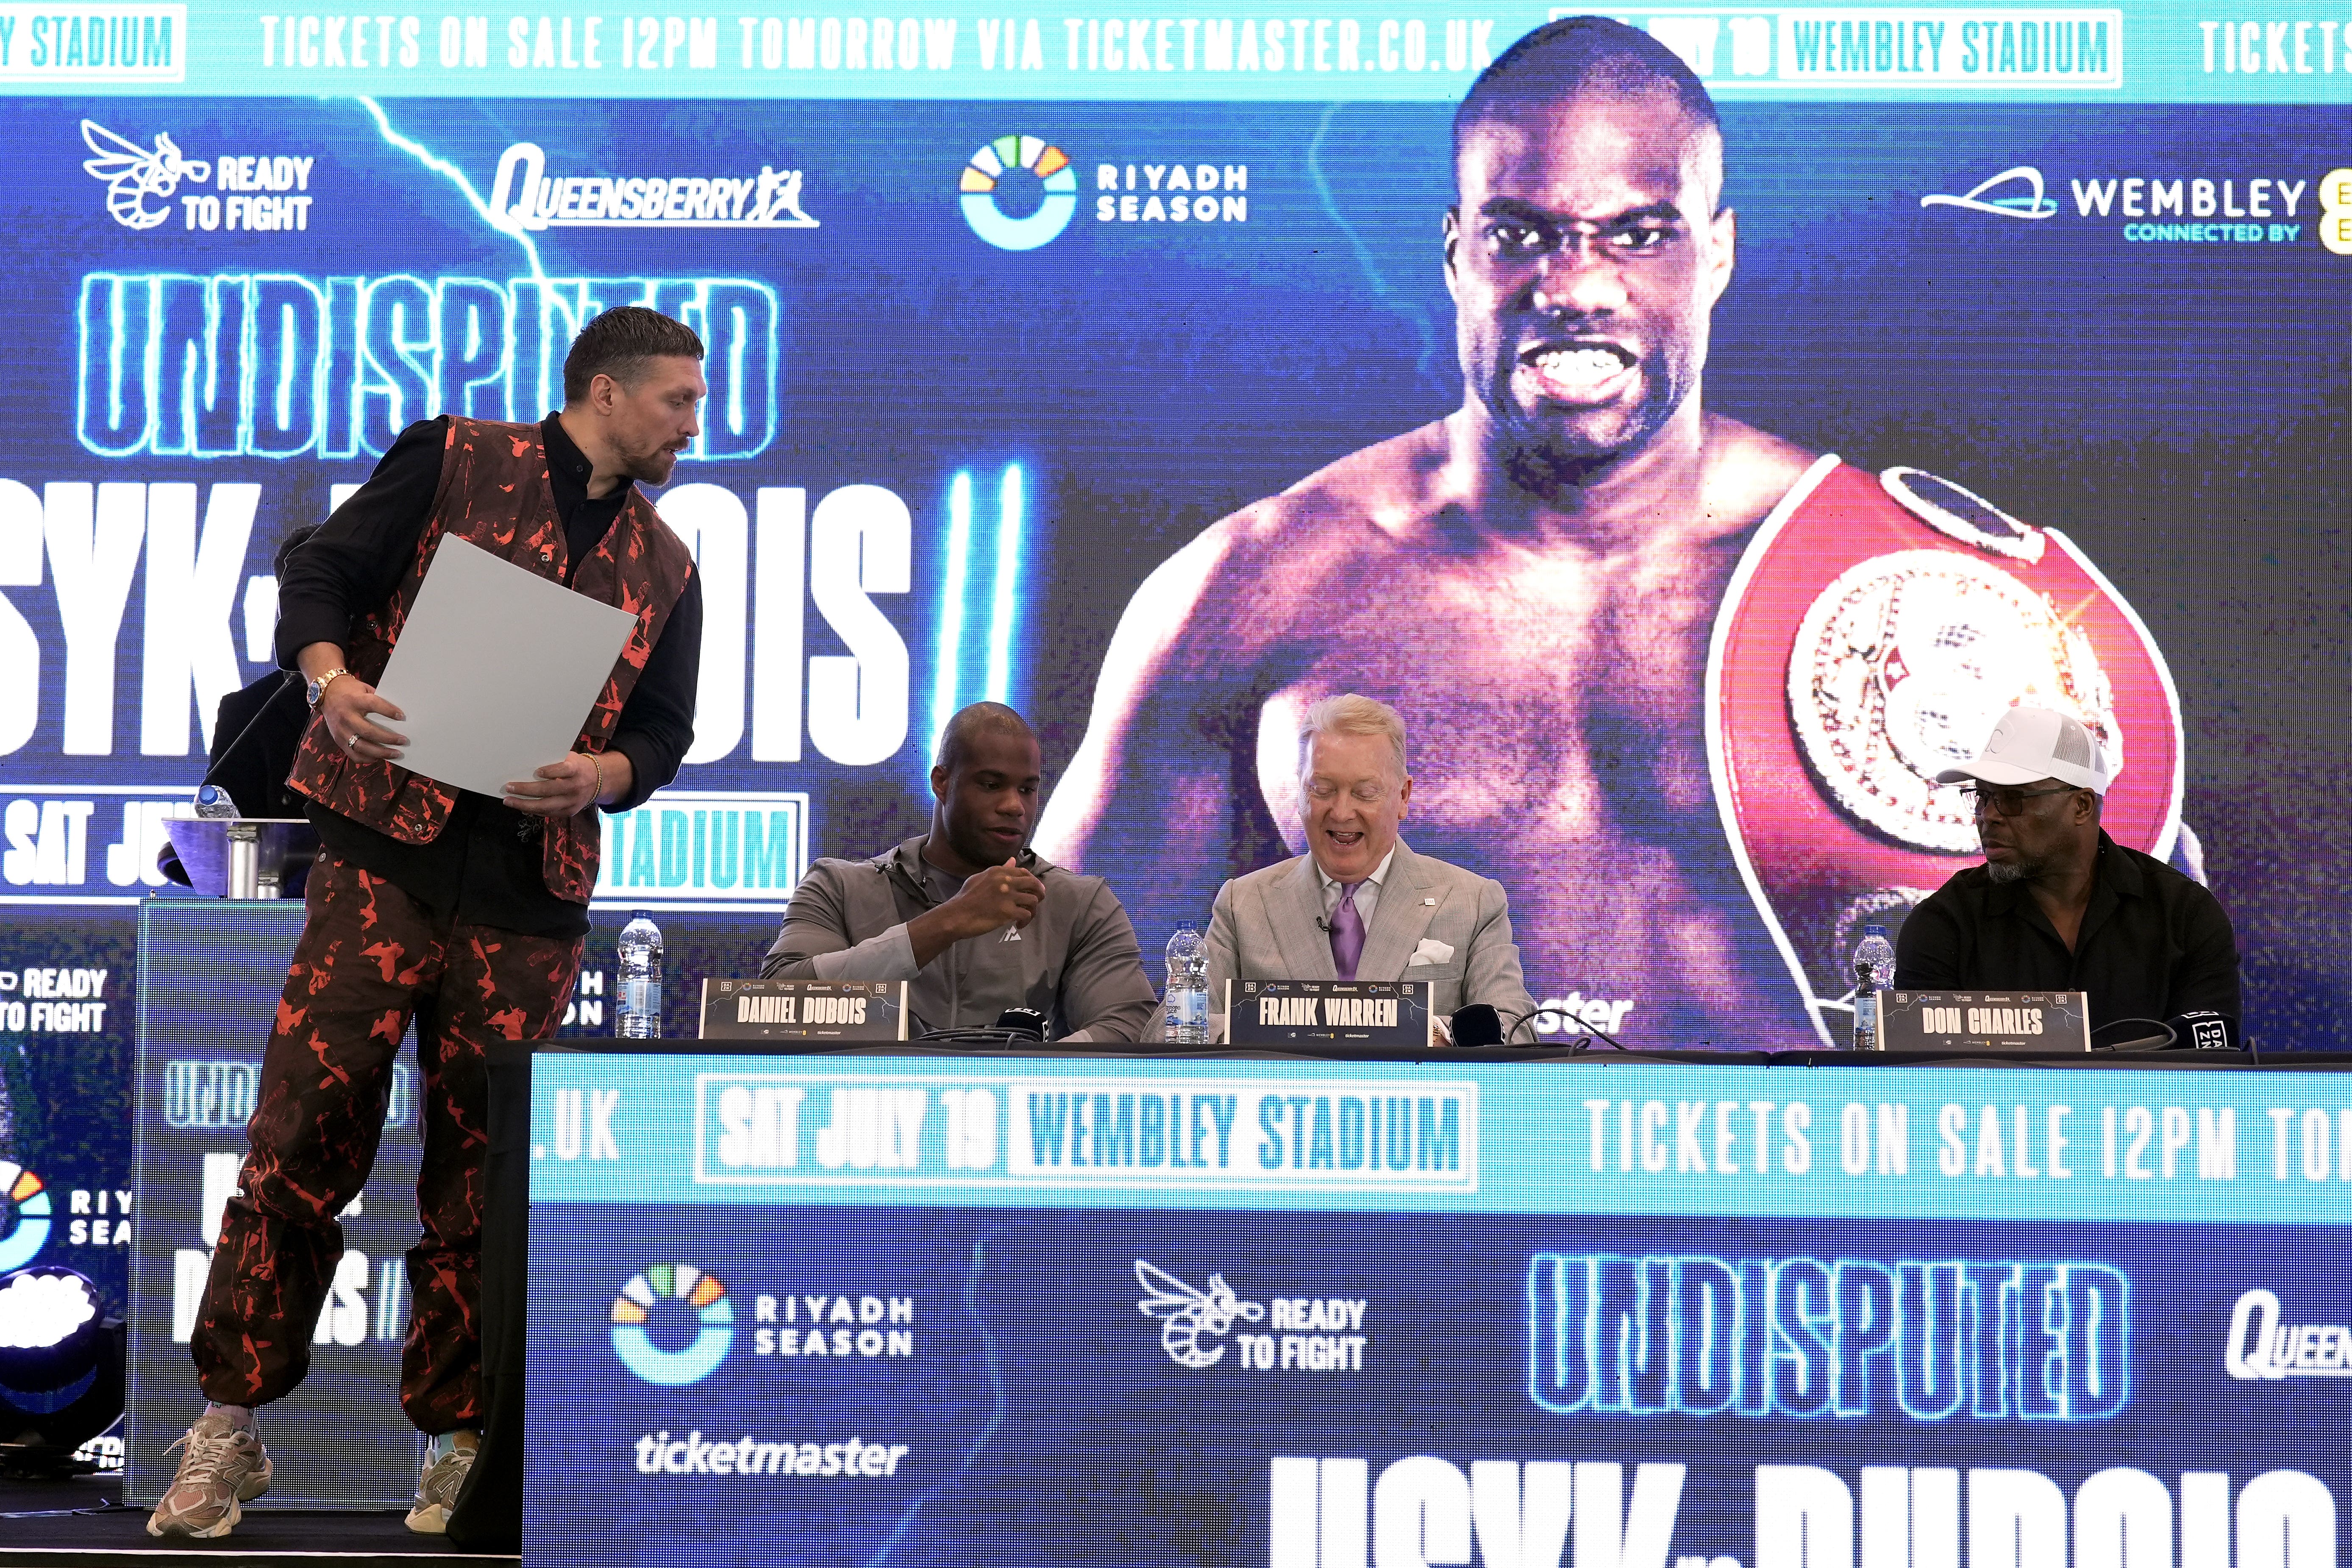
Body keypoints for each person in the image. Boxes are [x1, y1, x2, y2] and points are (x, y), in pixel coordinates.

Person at [1035, 15, 2185, 1049]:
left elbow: (2143, 1016)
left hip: (1803, 1230)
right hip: (1411, 1237)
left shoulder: (1922, 594)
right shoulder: (1256, 591)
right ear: (1454, 255)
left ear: (1716, 252)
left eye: (1635, 234)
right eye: (1520, 233)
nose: (1574, 285)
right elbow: (1078, 1008)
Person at [148, 306, 706, 1540]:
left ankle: (459, 1443)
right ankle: (227, 1428)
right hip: (379, 856)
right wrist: (332, 680)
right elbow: (320, 569)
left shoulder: (669, 566)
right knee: (304, 1125)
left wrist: (602, 775)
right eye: (676, 399)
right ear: (605, 392)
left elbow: (664, 729)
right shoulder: (454, 457)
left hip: (527, 895)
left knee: (480, 1180)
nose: (691, 424)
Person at [761, 702, 1159, 1041]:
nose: (1014, 806)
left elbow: (1130, 1023)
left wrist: (1018, 1074)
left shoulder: (1079, 903)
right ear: (942, 783)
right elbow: (774, 1003)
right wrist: (949, 921)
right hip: (871, 1118)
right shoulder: (839, 887)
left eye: (1027, 789)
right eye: (991, 785)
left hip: (1015, 1122)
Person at [1895, 706, 2241, 1037]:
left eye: (2013, 798)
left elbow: (2207, 1079)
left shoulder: (2185, 916)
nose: (1989, 815)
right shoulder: (1945, 924)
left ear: (2082, 806)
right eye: (1982, 797)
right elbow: (1924, 1083)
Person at [1206, 694, 1535, 1040]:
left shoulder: (1474, 903)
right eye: (1322, 790)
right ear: (1300, 794)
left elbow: (1516, 1030)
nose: (1342, 812)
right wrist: (1269, 1032)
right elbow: (1173, 1031)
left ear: (1403, 797)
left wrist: (1431, 1033)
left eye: (1364, 793)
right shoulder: (1242, 904)